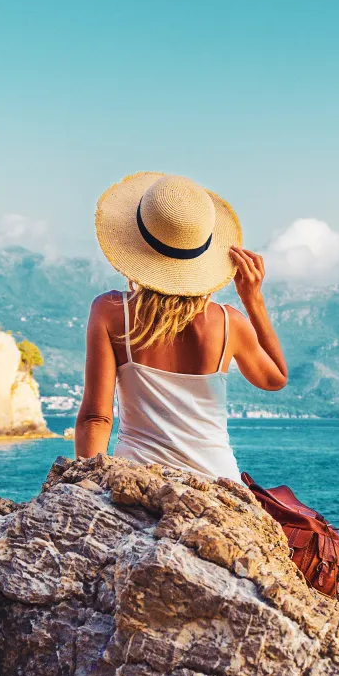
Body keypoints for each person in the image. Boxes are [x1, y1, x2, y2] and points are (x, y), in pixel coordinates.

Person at [75, 173, 288, 480]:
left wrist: (86, 488)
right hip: (218, 483)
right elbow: (275, 379)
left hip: (139, 483)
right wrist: (253, 299)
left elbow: (95, 418)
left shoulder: (110, 311)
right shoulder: (230, 323)